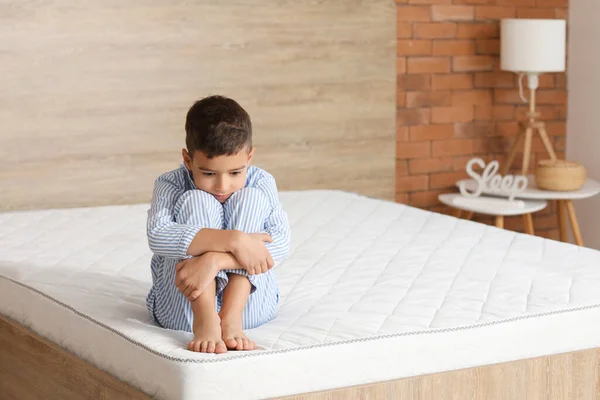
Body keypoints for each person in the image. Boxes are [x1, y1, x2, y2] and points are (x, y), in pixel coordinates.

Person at [145, 95, 290, 354]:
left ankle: (231, 316)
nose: (222, 186)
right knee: (197, 201)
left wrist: (214, 260)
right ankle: (207, 319)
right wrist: (236, 241)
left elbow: (281, 243)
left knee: (250, 199)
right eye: (209, 173)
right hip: (183, 310)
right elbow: (158, 235)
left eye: (236, 172)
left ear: (250, 157)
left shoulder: (262, 181)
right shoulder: (170, 183)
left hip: (251, 310)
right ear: (188, 161)